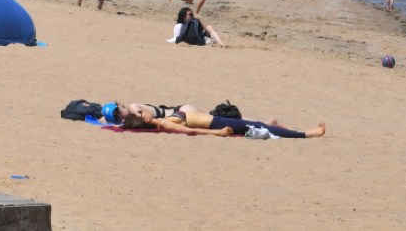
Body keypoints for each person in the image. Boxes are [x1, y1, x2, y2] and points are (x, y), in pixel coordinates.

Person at [121, 106, 325, 139]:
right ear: (144, 119)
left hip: (217, 120)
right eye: (140, 113)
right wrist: (217, 133)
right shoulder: (164, 124)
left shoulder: (161, 120)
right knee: (262, 127)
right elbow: (190, 131)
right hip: (216, 124)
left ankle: (292, 131)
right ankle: (306, 134)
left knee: (264, 124)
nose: (143, 110)